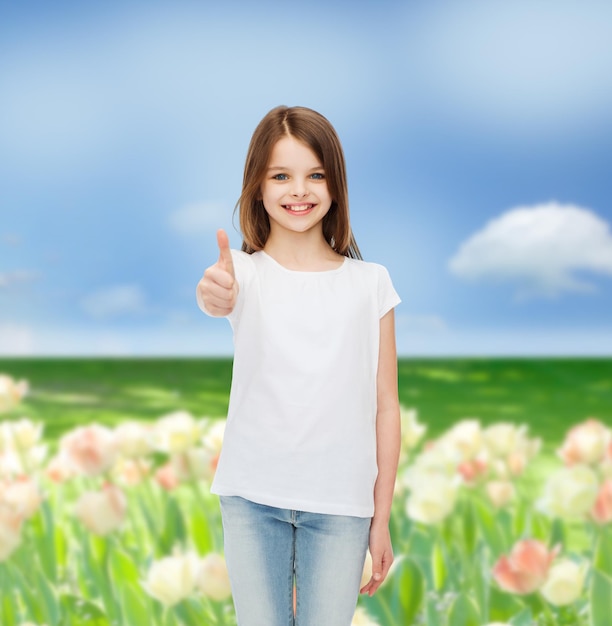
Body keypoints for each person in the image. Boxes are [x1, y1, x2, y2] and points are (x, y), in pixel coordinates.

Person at [196, 105, 401, 626]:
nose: (299, 190)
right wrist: (213, 295)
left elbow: (385, 405)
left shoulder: (370, 281)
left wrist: (381, 518)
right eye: (281, 176)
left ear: (335, 186)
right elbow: (215, 296)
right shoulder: (239, 272)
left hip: (341, 507)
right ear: (258, 187)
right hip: (251, 498)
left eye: (315, 175)